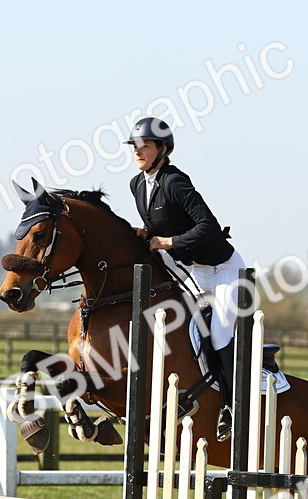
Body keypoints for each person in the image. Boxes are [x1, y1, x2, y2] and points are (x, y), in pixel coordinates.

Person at [124, 116, 245, 441]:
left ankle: (233, 409)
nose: (137, 152)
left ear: (163, 149)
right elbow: (164, 225)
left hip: (224, 270)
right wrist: (147, 234)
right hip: (193, 272)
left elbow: (207, 226)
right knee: (183, 330)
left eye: (144, 146)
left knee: (218, 333)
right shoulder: (137, 185)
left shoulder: (175, 181)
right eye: (135, 146)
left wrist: (168, 243)